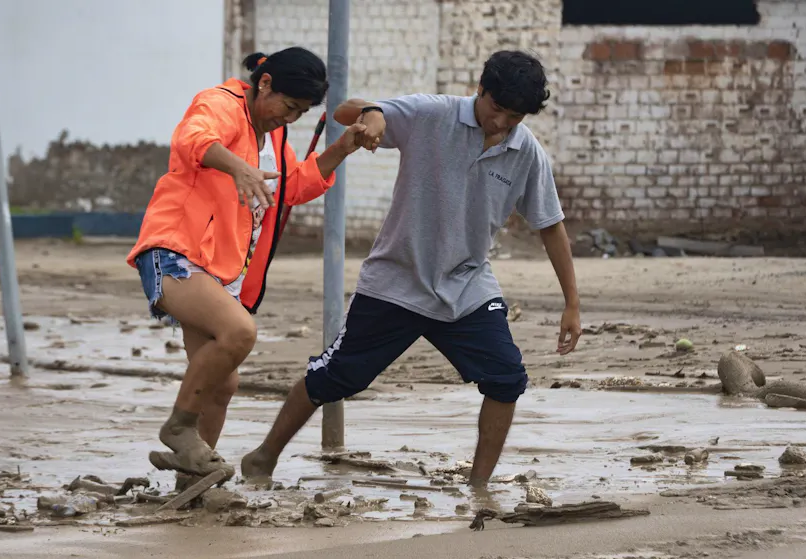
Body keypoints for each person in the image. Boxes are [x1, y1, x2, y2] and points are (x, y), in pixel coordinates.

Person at [239, 50, 582, 488]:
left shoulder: (525, 151)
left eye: (514, 117)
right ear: (480, 89)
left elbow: (551, 227)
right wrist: (373, 118)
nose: (501, 124)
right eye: (496, 109)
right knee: (336, 376)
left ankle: (478, 490)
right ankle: (264, 456)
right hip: (395, 283)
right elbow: (348, 111)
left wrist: (572, 303)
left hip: (466, 286)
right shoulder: (431, 114)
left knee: (506, 378)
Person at [125, 47, 368, 478]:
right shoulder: (221, 102)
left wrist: (344, 147)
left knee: (223, 385)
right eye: (287, 107)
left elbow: (292, 186)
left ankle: (191, 479)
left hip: (220, 265)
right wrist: (237, 166)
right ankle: (178, 429)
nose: (289, 118)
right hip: (176, 250)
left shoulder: (273, 134)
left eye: (300, 112)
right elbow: (192, 139)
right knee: (239, 332)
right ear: (265, 83)